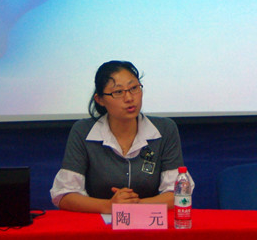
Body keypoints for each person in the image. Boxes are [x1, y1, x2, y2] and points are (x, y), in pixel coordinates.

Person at [50, 60, 192, 214]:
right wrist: (109, 206)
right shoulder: (83, 131)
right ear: (100, 99)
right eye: (118, 92)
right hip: (98, 222)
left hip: (149, 221)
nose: (129, 98)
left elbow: (179, 192)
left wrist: (134, 206)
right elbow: (64, 195)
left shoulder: (165, 129)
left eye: (134, 88)